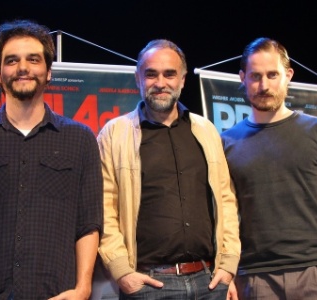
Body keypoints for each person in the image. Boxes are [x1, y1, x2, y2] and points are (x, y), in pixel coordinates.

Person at [0, 19, 103, 299]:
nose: (23, 68)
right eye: (12, 60)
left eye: (33, 59)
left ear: (49, 71)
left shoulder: (81, 139)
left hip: (57, 293)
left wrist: (82, 288)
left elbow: (88, 222)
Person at [96, 39, 240, 299]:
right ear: (138, 78)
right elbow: (103, 207)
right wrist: (122, 272)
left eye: (169, 74)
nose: (160, 83)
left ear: (183, 79)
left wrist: (228, 265)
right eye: (151, 74)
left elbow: (225, 198)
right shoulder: (114, 134)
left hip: (209, 281)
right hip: (148, 286)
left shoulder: (205, 130)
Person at [221, 37, 317, 300]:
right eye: (255, 76)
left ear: (288, 75)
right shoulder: (226, 142)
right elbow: (223, 218)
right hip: (254, 276)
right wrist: (228, 274)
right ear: (242, 78)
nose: (264, 85)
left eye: (273, 75)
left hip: (316, 273)